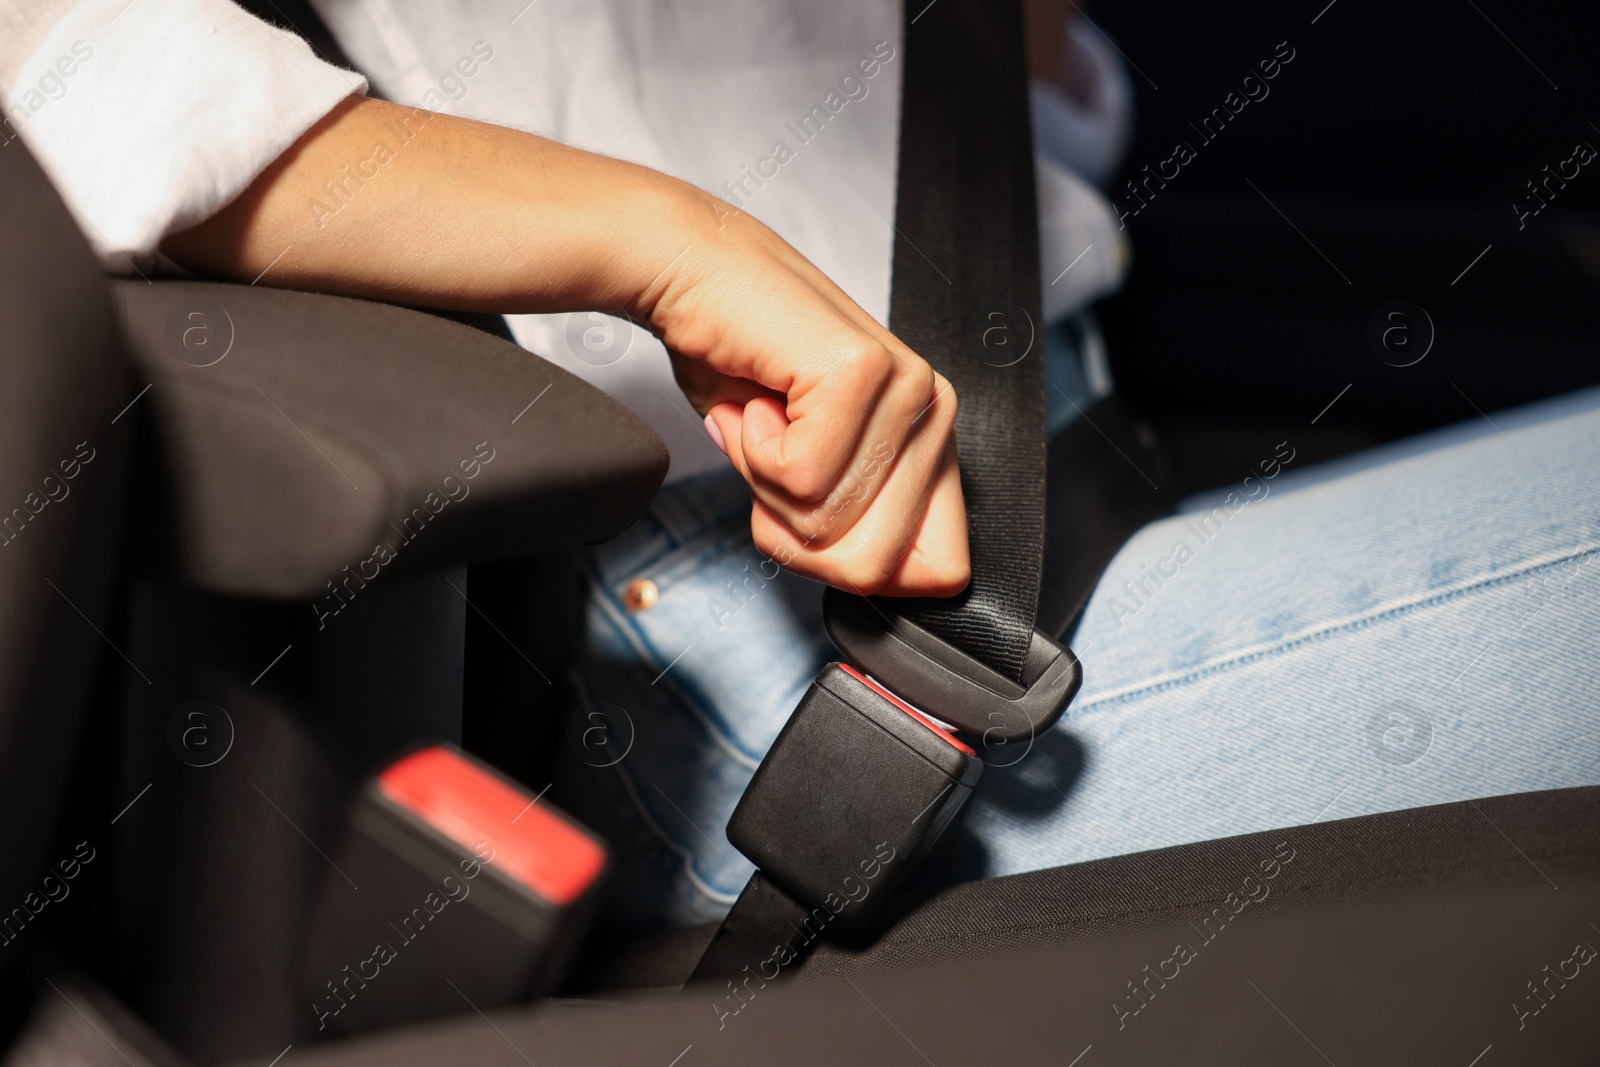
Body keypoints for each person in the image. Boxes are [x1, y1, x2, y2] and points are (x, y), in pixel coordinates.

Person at [5, 0, 1597, 935]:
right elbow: (79, 71)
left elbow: (1031, 132)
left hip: (1058, 472)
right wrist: (668, 243)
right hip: (753, 636)